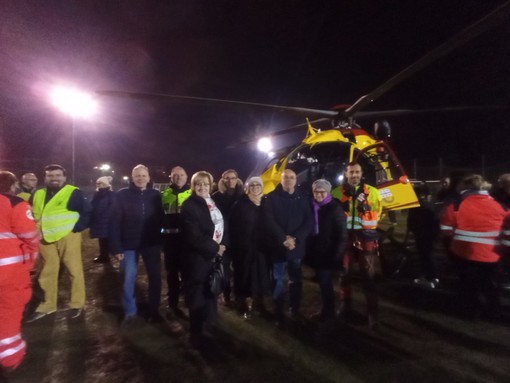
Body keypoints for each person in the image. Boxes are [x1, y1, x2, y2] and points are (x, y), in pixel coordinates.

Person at [26, 164, 91, 322]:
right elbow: (31, 214)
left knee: (74, 271)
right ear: (45, 177)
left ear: (64, 177)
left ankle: (77, 304)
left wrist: (76, 228)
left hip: (67, 236)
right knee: (48, 271)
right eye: (50, 175)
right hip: (44, 237)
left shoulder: (73, 192)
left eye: (57, 175)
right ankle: (48, 305)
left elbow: (88, 212)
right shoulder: (37, 194)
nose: (54, 178)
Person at [440, 174, 506, 319]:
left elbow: (445, 230)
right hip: (491, 255)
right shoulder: (500, 206)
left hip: (463, 253)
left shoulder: (455, 206)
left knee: (467, 284)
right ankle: (494, 310)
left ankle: (470, 312)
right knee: (489, 283)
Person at [111, 164, 164, 324]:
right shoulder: (122, 195)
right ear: (132, 178)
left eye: (143, 175)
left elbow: (162, 220)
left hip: (151, 243)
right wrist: (116, 247)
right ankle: (129, 310)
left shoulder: (156, 195)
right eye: (137, 176)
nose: (140, 178)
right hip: (128, 244)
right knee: (127, 278)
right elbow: (114, 222)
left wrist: (162, 241)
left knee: (155, 278)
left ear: (148, 178)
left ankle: (154, 310)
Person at [331, 162, 382, 328]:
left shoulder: (372, 192)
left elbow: (376, 218)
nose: (355, 175)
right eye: (351, 172)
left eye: (357, 172)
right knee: (344, 275)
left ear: (361, 173)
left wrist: (364, 208)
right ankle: (345, 306)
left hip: (365, 239)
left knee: (369, 277)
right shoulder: (337, 192)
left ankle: (372, 312)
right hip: (345, 239)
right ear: (346, 173)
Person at [181, 171, 227, 347]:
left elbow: (221, 224)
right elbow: (193, 236)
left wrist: (223, 245)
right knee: (197, 296)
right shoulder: (189, 206)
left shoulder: (211, 202)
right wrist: (216, 248)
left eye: (205, 184)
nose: (202, 187)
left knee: (210, 292)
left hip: (211, 257)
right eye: (198, 184)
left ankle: (210, 327)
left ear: (210, 185)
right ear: (193, 186)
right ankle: (196, 334)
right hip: (197, 260)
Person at [263, 169, 313, 327]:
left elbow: (308, 221)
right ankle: (278, 311)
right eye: (286, 177)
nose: (290, 180)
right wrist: (283, 238)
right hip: (278, 247)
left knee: (295, 279)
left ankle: (294, 309)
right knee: (277, 280)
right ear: (281, 179)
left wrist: (296, 239)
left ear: (296, 180)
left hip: (295, 248)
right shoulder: (270, 198)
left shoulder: (303, 198)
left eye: (292, 177)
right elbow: (268, 221)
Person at [0, 171, 39, 371]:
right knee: (8, 313)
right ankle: (10, 358)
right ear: (13, 185)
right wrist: (30, 260)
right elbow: (30, 236)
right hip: (8, 271)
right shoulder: (15, 204)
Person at [229, 176, 271, 319]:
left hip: (262, 248)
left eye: (258, 185)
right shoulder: (240, 204)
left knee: (260, 275)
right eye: (252, 185)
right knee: (245, 276)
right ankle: (245, 304)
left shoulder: (266, 203)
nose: (255, 187)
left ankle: (260, 303)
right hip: (244, 248)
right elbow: (232, 226)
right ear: (247, 188)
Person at [307, 179, 347, 321]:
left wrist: (336, 256)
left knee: (325, 284)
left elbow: (342, 234)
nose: (318, 194)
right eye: (316, 191)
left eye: (322, 191)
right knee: (324, 284)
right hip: (318, 254)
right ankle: (327, 310)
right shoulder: (313, 207)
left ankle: (328, 312)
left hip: (329, 255)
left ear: (328, 192)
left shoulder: (335, 208)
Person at [161, 166, 191, 315]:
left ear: (186, 177)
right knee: (171, 273)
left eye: (181, 174)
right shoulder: (164, 195)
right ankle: (172, 302)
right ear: (171, 177)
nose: (178, 177)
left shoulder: (192, 194)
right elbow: (159, 219)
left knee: (187, 272)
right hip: (170, 242)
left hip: (187, 241)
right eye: (175, 175)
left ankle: (187, 301)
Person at [212, 169, 244, 303]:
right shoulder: (215, 197)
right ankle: (226, 294)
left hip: (240, 239)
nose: (230, 180)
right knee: (224, 270)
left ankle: (239, 295)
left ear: (237, 179)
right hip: (223, 240)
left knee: (240, 269)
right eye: (227, 178)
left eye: (233, 178)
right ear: (222, 180)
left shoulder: (243, 196)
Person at [407, 181, 440, 288]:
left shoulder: (416, 206)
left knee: (425, 256)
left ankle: (429, 278)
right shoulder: (430, 205)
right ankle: (433, 277)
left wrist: (415, 231)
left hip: (422, 236)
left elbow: (411, 223)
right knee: (429, 256)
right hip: (430, 235)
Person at [90, 176, 116, 264]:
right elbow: (93, 205)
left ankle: (109, 256)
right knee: (102, 240)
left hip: (106, 222)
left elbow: (112, 208)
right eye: (98, 183)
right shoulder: (97, 194)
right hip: (99, 221)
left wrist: (102, 217)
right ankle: (104, 256)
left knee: (107, 240)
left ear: (105, 184)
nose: (99, 185)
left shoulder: (110, 194)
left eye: (101, 183)